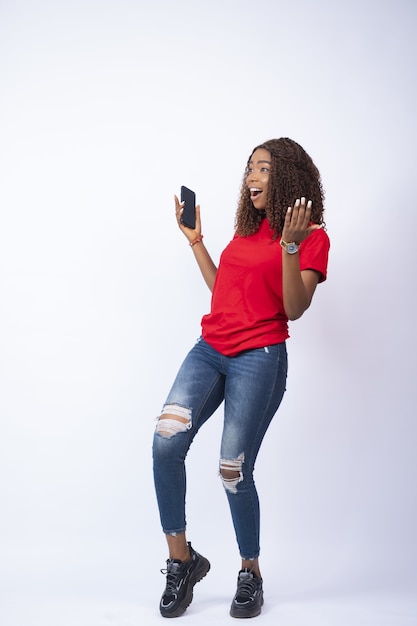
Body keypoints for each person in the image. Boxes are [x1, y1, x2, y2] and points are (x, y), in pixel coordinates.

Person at [152, 137, 330, 619]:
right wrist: (195, 241)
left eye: (264, 168)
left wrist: (290, 247)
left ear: (288, 177)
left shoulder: (312, 236)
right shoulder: (246, 231)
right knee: (166, 441)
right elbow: (224, 292)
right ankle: (181, 560)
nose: (252, 176)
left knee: (233, 469)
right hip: (211, 349)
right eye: (250, 167)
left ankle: (250, 570)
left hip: (260, 356)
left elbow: (294, 307)